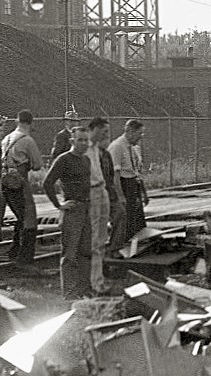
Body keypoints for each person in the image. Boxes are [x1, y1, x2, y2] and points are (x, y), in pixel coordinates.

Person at [44, 127, 94, 300]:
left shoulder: (86, 160)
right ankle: (70, 293)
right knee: (70, 254)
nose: (84, 143)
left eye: (86, 140)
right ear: (72, 141)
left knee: (86, 252)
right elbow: (47, 183)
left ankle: (84, 290)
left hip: (86, 209)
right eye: (80, 140)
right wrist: (59, 205)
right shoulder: (63, 160)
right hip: (72, 211)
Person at [1, 109, 44, 265]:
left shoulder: (6, 138)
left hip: (5, 182)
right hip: (20, 182)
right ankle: (25, 259)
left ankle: (14, 250)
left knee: (20, 217)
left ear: (16, 121)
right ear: (31, 123)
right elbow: (38, 164)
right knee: (29, 219)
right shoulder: (27, 140)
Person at [85, 117, 114, 294]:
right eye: (104, 132)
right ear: (95, 129)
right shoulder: (85, 147)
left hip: (101, 189)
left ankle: (99, 278)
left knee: (102, 237)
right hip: (92, 191)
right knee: (94, 238)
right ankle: (94, 281)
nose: (106, 135)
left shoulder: (97, 148)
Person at [109, 119, 148, 240]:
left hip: (133, 185)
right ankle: (123, 246)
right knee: (126, 220)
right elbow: (114, 175)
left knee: (137, 220)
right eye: (139, 133)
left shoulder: (134, 148)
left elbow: (137, 172)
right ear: (130, 132)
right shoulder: (117, 147)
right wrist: (120, 196)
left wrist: (144, 193)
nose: (141, 137)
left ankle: (138, 244)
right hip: (123, 185)